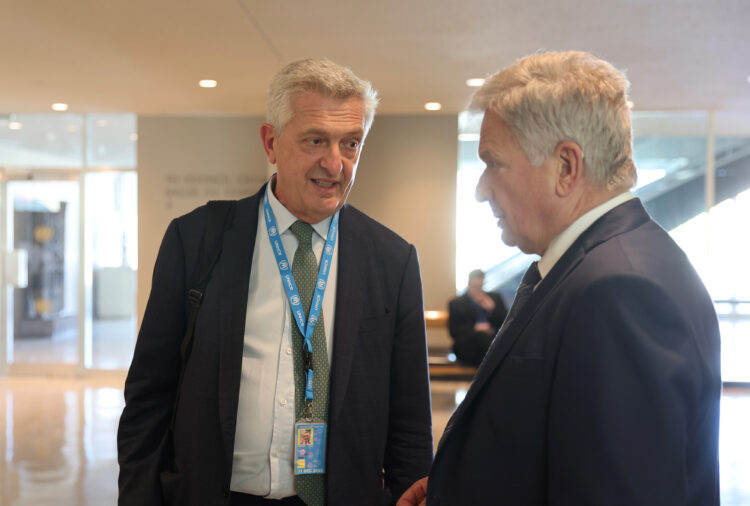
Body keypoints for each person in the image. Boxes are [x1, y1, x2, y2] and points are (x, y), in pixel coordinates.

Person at [399, 50, 721, 505]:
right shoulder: (601, 267)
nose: (480, 188)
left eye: (494, 162)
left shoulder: (618, 291)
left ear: (566, 167)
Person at [118, 58, 433, 506]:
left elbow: (410, 421)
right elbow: (149, 396)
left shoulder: (393, 260)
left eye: (351, 143)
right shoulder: (196, 240)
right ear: (271, 141)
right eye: (316, 140)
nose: (335, 163)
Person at [447, 269, 507, 366]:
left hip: (492, 341)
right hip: (467, 345)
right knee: (482, 338)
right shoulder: (456, 303)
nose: (478, 289)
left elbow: (507, 323)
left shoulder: (494, 298)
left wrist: (492, 309)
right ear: (469, 283)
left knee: (489, 344)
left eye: (480, 286)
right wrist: (476, 328)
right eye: (475, 286)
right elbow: (454, 331)